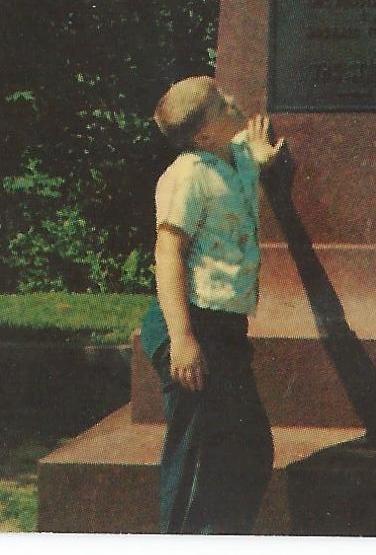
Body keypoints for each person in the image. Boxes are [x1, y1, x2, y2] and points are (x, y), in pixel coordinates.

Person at [139, 77, 285, 534]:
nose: (233, 101)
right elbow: (168, 254)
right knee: (199, 456)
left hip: (225, 330)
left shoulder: (235, 155)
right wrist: (182, 339)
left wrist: (260, 158)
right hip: (192, 326)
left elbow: (244, 161)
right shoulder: (187, 174)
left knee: (249, 449)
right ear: (203, 135)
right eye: (222, 104)